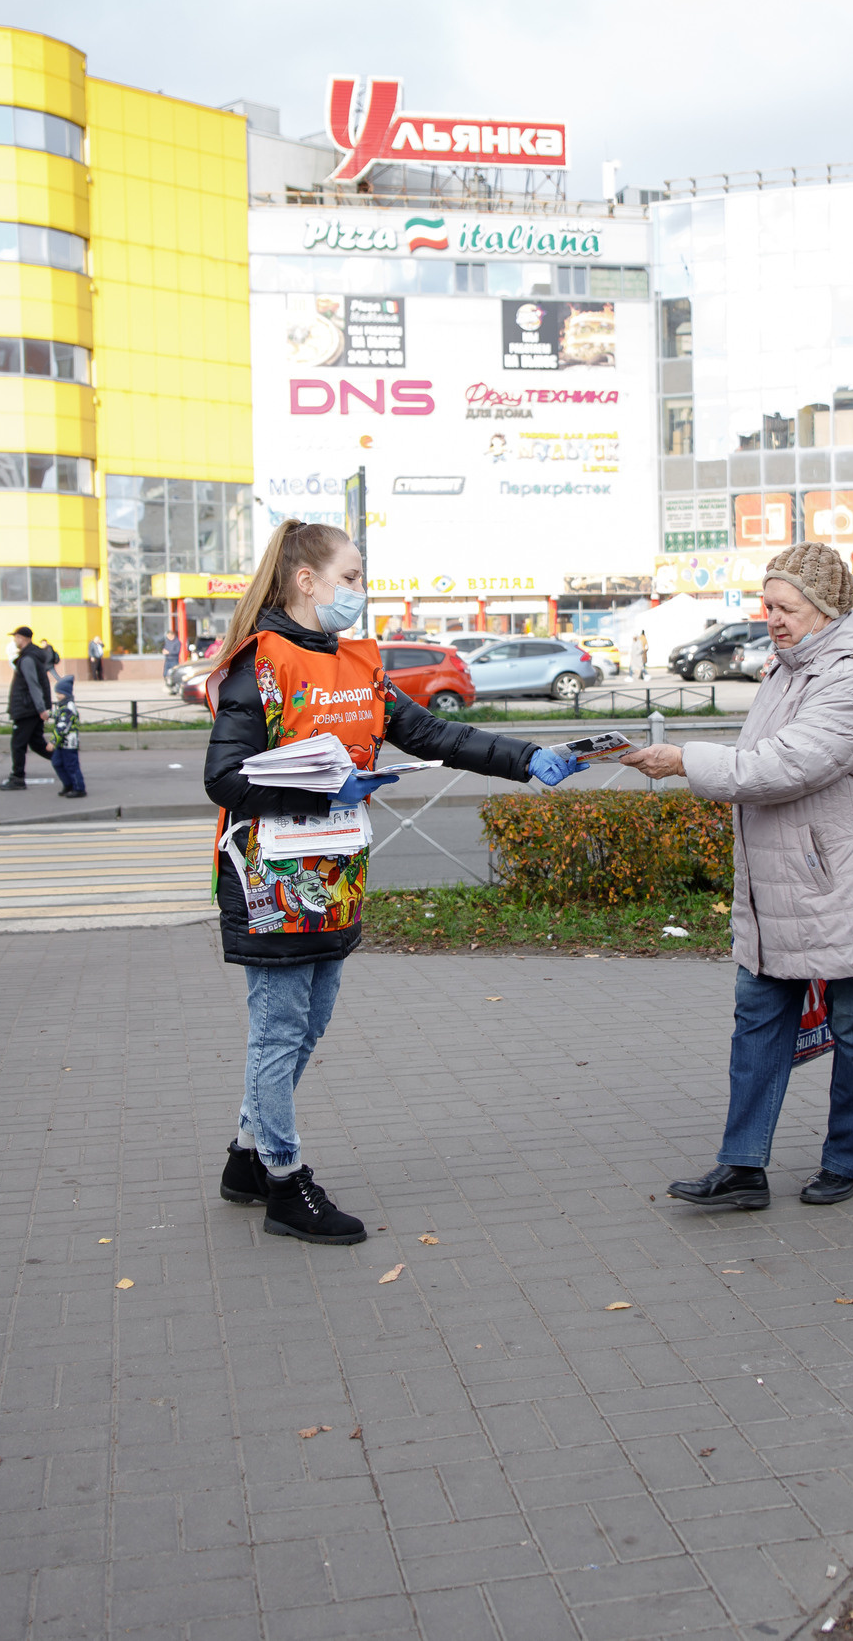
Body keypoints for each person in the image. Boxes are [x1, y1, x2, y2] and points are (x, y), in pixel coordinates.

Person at [205, 518, 587, 1244]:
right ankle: (284, 1181)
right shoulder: (261, 665)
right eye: (350, 577)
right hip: (269, 881)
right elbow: (223, 777)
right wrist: (325, 792)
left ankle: (247, 1157)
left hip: (335, 875)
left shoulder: (359, 662)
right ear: (306, 581)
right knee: (278, 1033)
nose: (360, 590)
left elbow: (436, 735)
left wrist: (527, 757)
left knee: (309, 1024)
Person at [625, 543, 853, 1210]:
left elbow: (786, 765)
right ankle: (742, 1167)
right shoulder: (786, 670)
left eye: (787, 607)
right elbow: (758, 757)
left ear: (825, 608)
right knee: (757, 1026)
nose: (773, 619)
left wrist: (683, 760)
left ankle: (851, 1160)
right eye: (768, 605)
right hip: (782, 890)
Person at [0, 627, 55, 791]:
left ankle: (17, 778)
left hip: (26, 709)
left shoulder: (28, 659)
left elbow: (33, 685)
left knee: (18, 744)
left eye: (16, 637)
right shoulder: (32, 656)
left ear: (23, 638)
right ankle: (65, 761)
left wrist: (41, 709)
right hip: (30, 708)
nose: (14, 640)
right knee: (37, 743)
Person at [50, 665, 88, 798]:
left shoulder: (68, 708)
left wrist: (53, 741)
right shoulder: (63, 706)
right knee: (57, 763)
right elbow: (58, 717)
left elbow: (62, 726)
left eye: (59, 693)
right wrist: (49, 714)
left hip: (69, 743)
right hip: (62, 743)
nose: (57, 696)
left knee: (71, 765)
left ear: (66, 694)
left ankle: (79, 788)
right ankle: (68, 784)